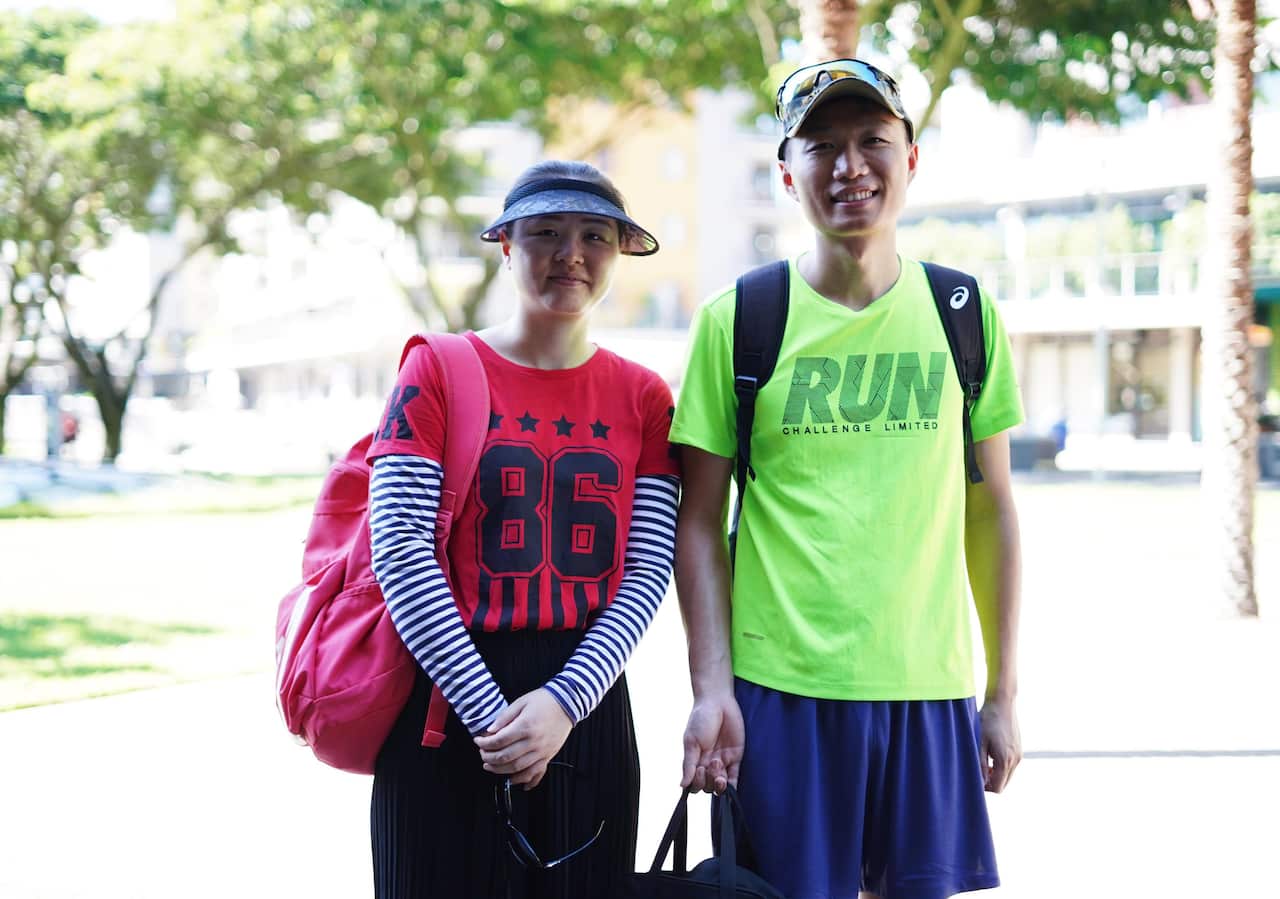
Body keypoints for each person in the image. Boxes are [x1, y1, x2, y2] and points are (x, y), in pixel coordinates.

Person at [671, 59, 1025, 899]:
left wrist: (1002, 692)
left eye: (873, 141)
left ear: (911, 160)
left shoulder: (963, 314)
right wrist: (711, 687)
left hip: (927, 689)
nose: (850, 166)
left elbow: (994, 512)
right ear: (787, 173)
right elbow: (697, 522)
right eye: (823, 146)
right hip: (781, 693)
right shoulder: (742, 320)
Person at [366, 160, 681, 898]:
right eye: (545, 232)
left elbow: (647, 569)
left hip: (587, 711)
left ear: (618, 252)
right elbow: (401, 549)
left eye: (594, 235)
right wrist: (492, 718)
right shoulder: (436, 370)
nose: (570, 253)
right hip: (446, 703)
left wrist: (563, 703)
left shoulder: (645, 397)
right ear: (506, 245)